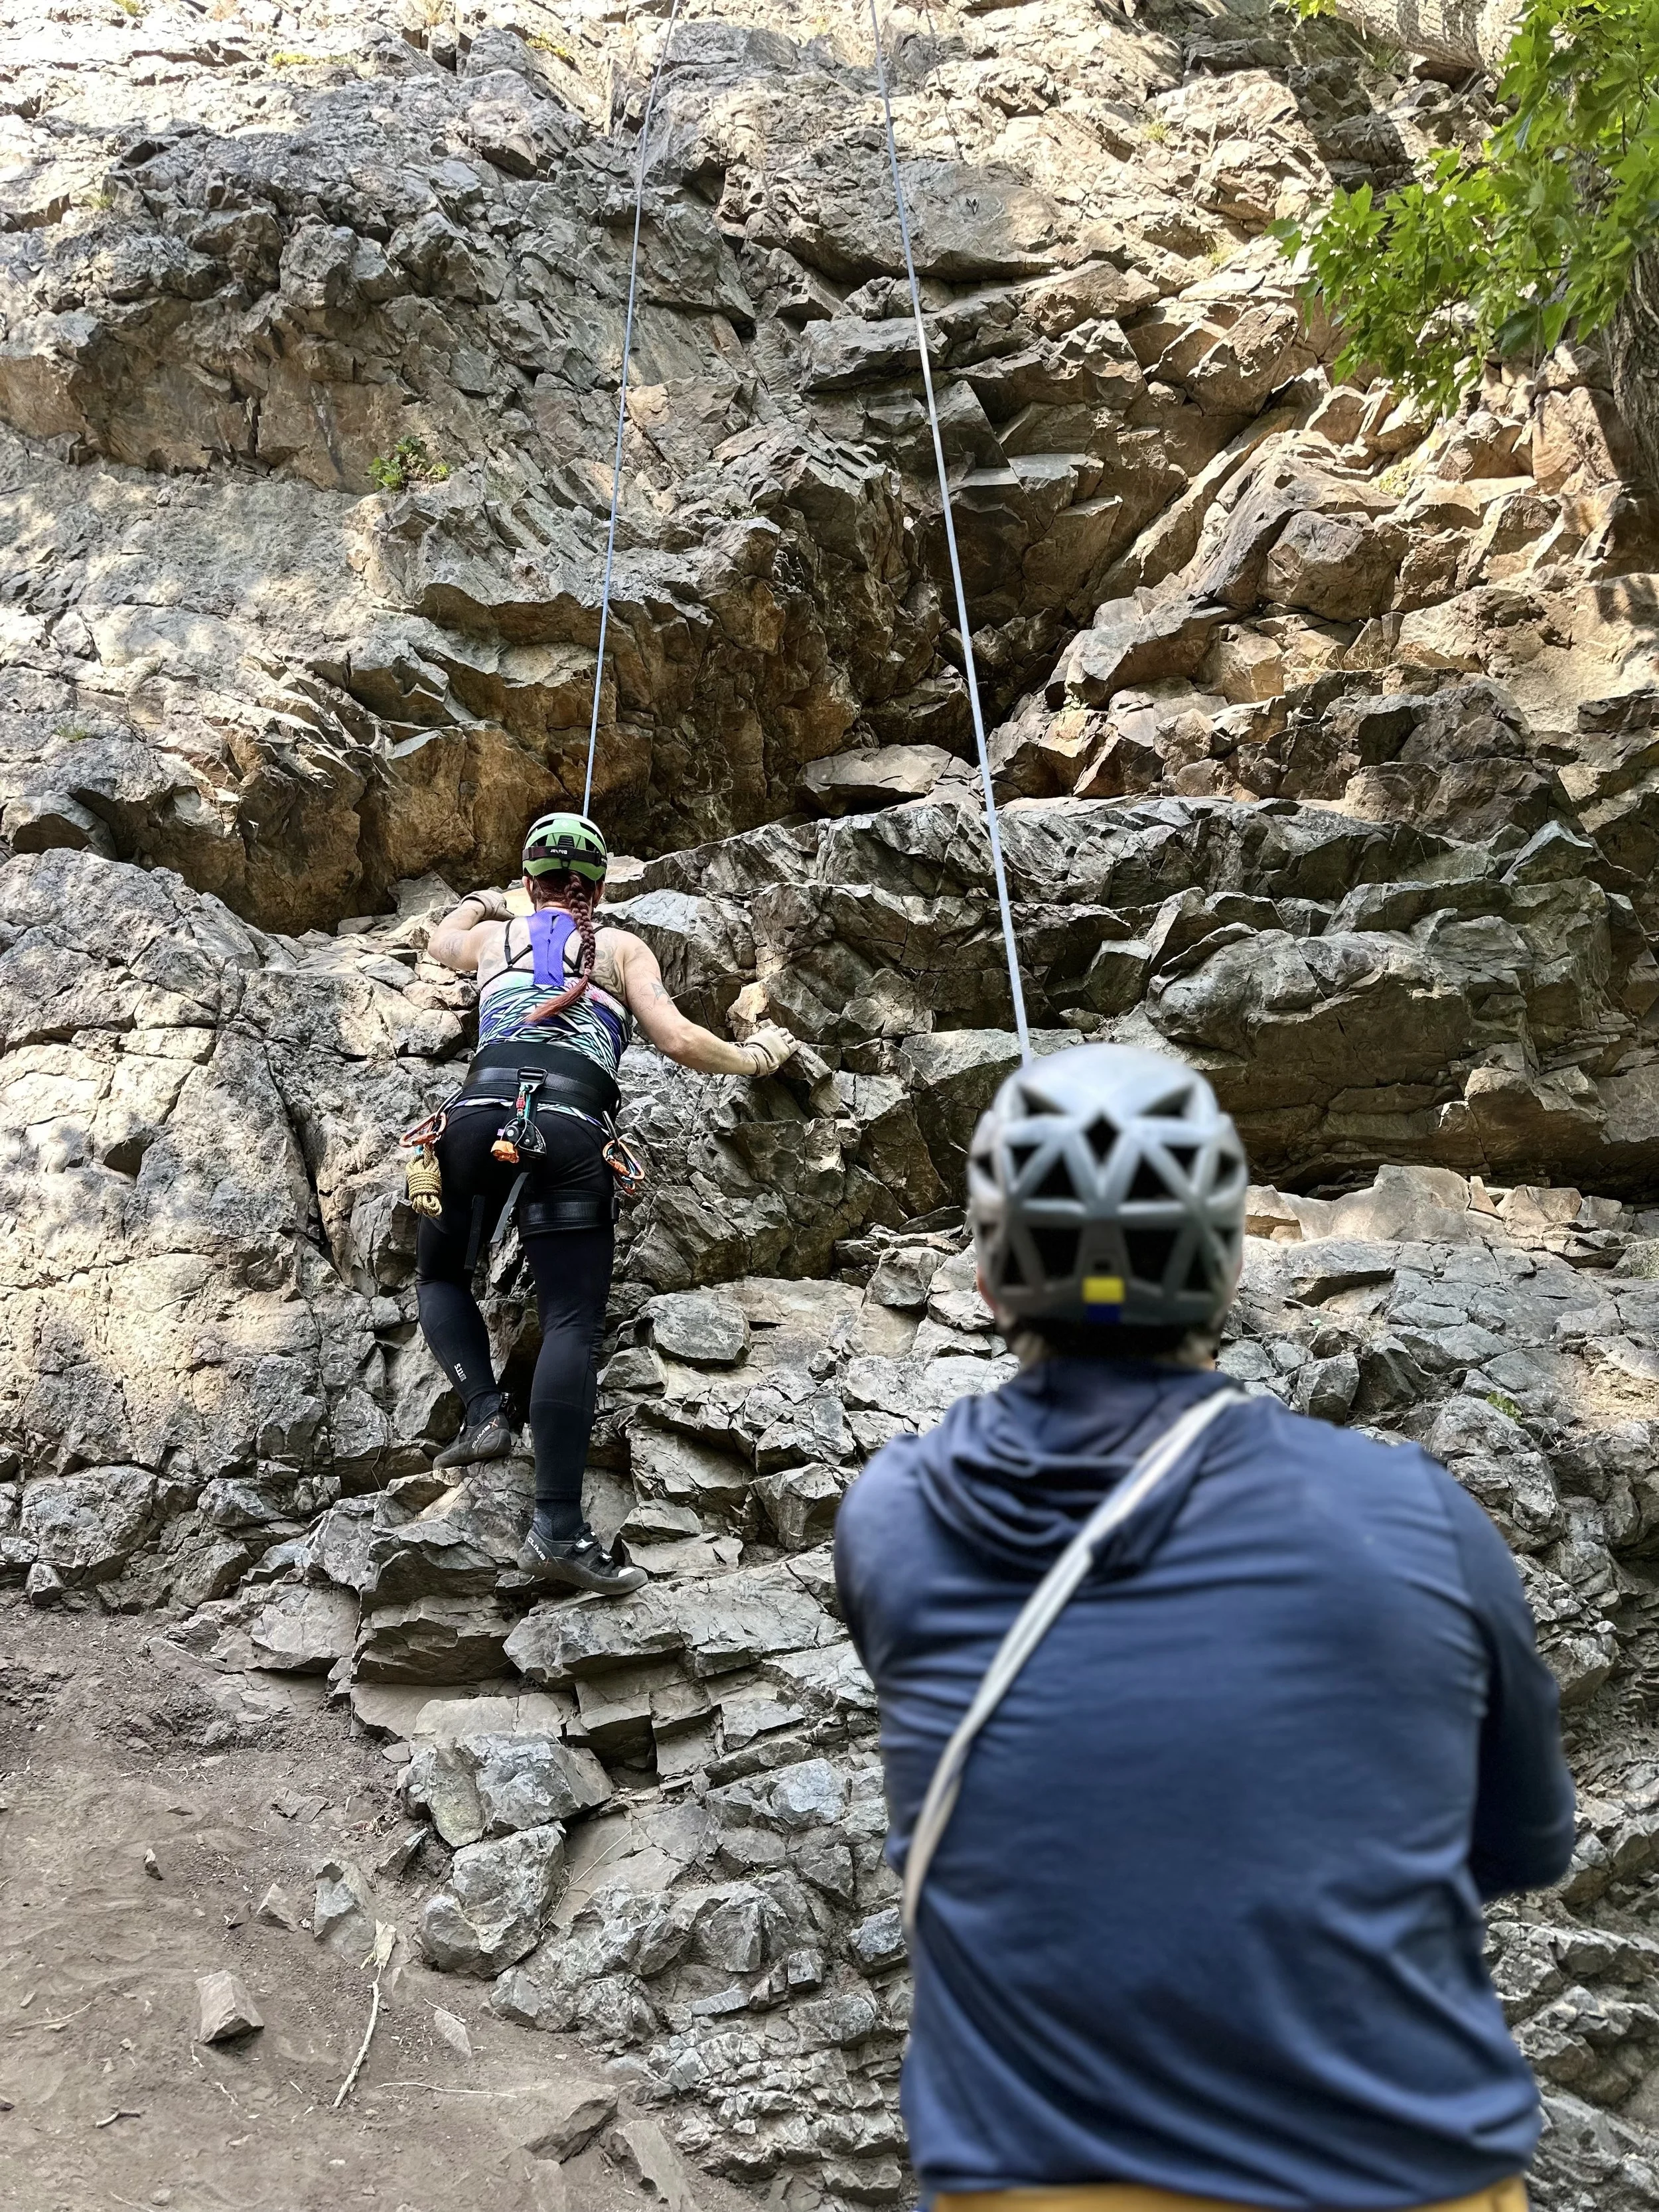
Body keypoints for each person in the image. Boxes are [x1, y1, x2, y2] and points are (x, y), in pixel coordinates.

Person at [834, 1041, 1575, 2212]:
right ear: (1227, 1265)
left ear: (989, 1280)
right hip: (1409, 2175)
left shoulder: (896, 1516)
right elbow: (1523, 1846)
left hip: (1045, 2185)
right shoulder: (1419, 1512)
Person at [419, 810, 798, 1595]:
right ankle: (556, 1526)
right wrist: (757, 1057)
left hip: (472, 1121)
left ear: (531, 881)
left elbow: (439, 939)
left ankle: (485, 1412)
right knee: (569, 1322)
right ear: (600, 887)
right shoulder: (622, 949)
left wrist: (490, 906)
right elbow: (680, 1041)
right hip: (569, 1127)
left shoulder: (496, 942)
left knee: (439, 1277)